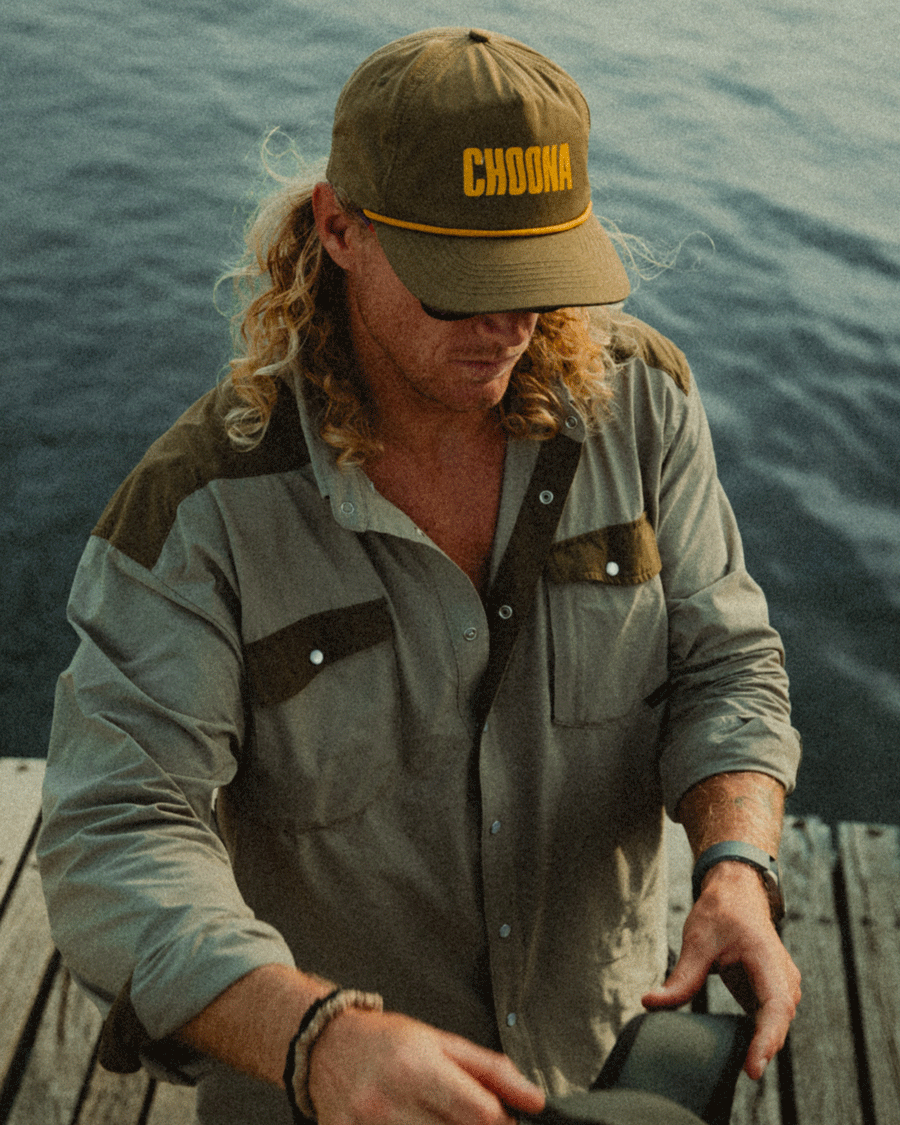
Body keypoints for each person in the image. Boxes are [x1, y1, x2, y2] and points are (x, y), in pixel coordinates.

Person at [38, 26, 802, 1125]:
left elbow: (723, 661)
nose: (510, 322)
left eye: (539, 276)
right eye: (465, 283)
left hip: (595, 1065)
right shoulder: (199, 512)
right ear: (338, 228)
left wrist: (735, 864)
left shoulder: (645, 409)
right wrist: (317, 1037)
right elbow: (117, 828)